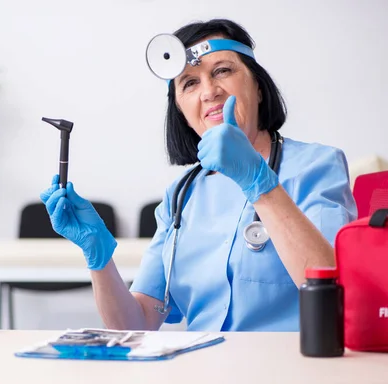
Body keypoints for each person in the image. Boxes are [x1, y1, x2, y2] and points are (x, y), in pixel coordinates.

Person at [39, 19, 357, 332]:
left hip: (291, 373)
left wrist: (259, 184)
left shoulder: (317, 165)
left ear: (258, 88)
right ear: (180, 109)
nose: (209, 91)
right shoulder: (180, 197)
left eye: (222, 71)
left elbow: (332, 289)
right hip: (201, 374)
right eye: (190, 83)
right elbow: (135, 325)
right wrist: (99, 256)